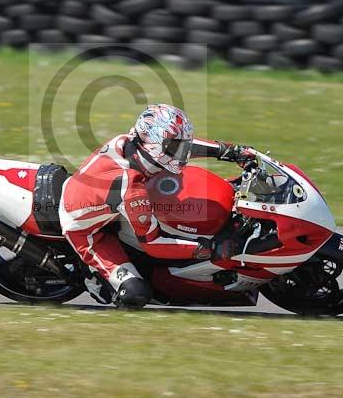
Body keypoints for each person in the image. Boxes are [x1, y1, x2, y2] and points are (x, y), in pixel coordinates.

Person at [59, 103, 256, 308]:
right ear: (153, 143)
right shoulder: (131, 188)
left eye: (180, 144)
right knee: (136, 294)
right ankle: (90, 275)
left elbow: (183, 145)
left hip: (104, 202)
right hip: (86, 231)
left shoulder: (131, 142)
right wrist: (206, 249)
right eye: (174, 146)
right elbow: (153, 244)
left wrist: (231, 151)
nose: (182, 152)